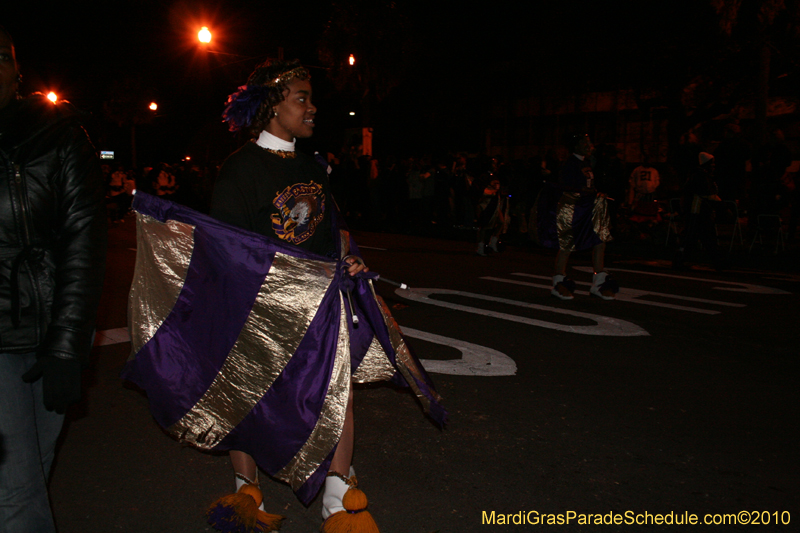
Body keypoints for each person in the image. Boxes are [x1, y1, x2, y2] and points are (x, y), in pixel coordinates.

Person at [209, 59, 384, 527]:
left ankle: (337, 492)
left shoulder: (314, 166)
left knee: (337, 384)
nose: (311, 107)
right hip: (261, 307)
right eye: (300, 98)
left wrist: (346, 258)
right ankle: (247, 493)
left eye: (310, 98)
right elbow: (227, 249)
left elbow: (331, 232)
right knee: (248, 392)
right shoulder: (240, 170)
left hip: (318, 301)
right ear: (271, 107)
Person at [0, 26, 107, 531]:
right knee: (18, 494)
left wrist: (67, 346)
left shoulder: (59, 135)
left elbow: (83, 242)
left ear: (17, 70)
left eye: (0, 55)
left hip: (46, 336)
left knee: (33, 473)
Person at [530, 134, 618, 300]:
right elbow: (566, 187)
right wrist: (586, 194)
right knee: (567, 244)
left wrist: (596, 194)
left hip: (589, 207)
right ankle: (559, 281)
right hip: (573, 208)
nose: (588, 145)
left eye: (589, 142)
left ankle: (599, 282)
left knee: (600, 240)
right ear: (575, 146)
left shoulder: (588, 162)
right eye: (584, 142)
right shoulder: (569, 164)